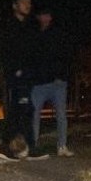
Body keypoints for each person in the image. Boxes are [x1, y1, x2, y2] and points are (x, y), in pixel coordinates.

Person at [0, 0, 48, 161]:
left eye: (29, 2)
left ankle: (30, 147)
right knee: (19, 110)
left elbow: (32, 50)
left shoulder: (27, 27)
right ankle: (5, 146)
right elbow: (7, 51)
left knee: (25, 110)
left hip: (27, 75)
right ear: (15, 5)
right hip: (17, 75)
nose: (27, 5)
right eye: (24, 2)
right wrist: (15, 69)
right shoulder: (10, 26)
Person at [31, 8, 74, 157]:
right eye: (42, 15)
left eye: (47, 15)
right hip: (39, 83)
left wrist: (62, 75)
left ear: (50, 17)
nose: (45, 18)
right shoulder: (34, 35)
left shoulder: (58, 34)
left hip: (57, 83)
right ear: (39, 17)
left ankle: (62, 146)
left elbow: (66, 55)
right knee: (34, 114)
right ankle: (33, 145)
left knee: (61, 114)